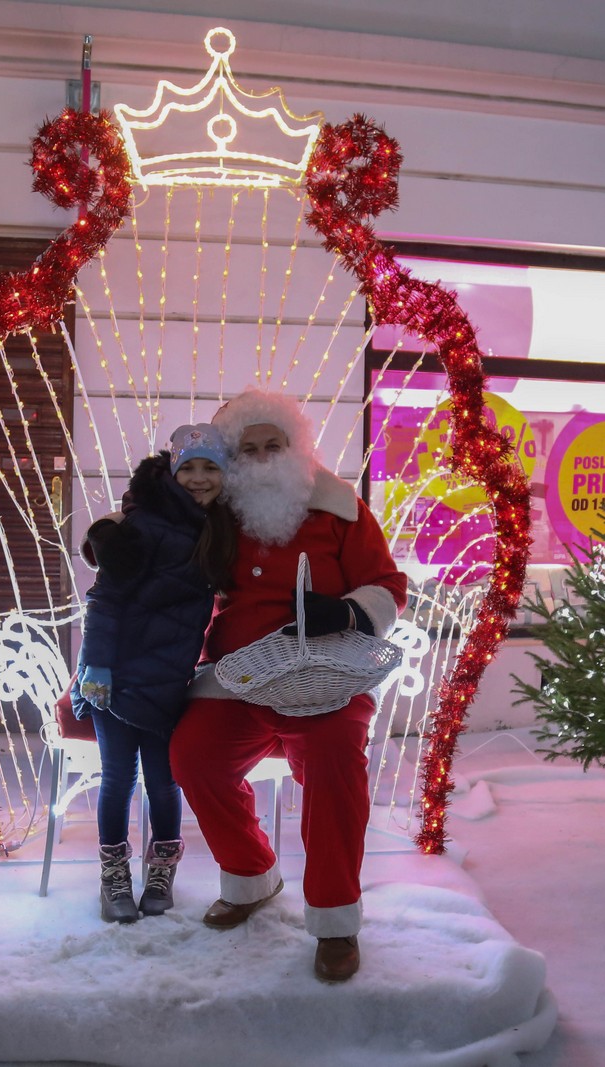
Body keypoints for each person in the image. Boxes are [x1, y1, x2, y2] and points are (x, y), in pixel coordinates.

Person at [168, 388, 408, 982]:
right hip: (236, 677)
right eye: (248, 450)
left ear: (295, 447)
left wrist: (348, 614)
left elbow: (386, 583)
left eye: (274, 445)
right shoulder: (214, 511)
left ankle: (334, 920)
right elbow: (152, 522)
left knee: (332, 764)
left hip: (325, 674)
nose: (264, 457)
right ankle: (252, 875)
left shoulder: (338, 506)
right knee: (192, 755)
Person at [73, 423, 236, 923]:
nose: (200, 478)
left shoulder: (218, 527)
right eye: (189, 468)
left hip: (171, 680)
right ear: (171, 470)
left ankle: (162, 869)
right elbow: (106, 598)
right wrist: (97, 665)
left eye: (211, 468)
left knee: (165, 782)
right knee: (119, 779)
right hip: (117, 676)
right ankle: (114, 874)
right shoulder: (143, 525)